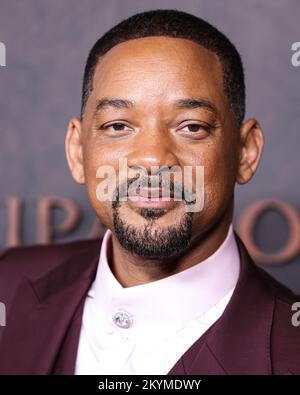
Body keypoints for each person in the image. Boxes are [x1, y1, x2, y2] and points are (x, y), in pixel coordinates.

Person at [0, 9, 299, 375]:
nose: (152, 158)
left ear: (245, 153)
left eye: (191, 127)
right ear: (78, 151)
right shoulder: (9, 283)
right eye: (117, 125)